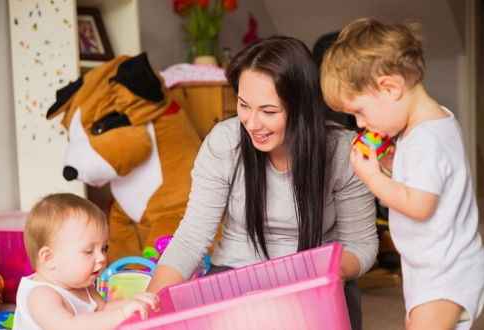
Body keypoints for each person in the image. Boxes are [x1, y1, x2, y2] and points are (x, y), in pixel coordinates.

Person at [147, 36, 378, 329]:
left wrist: (325, 273)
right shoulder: (225, 141)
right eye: (243, 105)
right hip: (235, 275)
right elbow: (192, 238)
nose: (252, 123)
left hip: (315, 283)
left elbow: (362, 244)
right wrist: (148, 307)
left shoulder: (342, 150)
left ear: (302, 108)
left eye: (269, 111)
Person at [321, 18, 484, 330]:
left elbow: (420, 205)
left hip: (446, 271)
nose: (359, 124)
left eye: (360, 111)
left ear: (390, 87)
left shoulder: (427, 140)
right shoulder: (425, 128)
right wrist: (393, 164)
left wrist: (373, 177)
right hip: (430, 266)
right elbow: (427, 183)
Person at [13, 193, 159, 330]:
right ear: (49, 258)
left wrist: (131, 303)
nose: (102, 258)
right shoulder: (40, 295)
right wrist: (122, 314)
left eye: (104, 248)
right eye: (89, 251)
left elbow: (103, 308)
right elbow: (70, 326)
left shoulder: (82, 284)